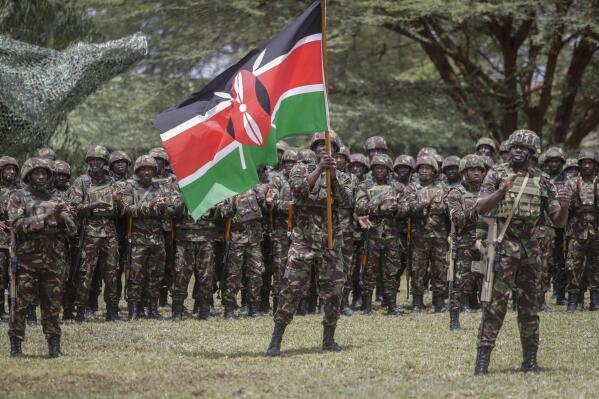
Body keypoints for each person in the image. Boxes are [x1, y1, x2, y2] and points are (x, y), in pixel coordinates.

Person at [474, 129, 569, 376]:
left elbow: (557, 221)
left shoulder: (543, 180)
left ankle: (530, 361)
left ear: (532, 152)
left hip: (531, 251)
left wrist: (566, 203)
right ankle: (482, 363)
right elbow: (481, 207)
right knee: (495, 306)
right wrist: (501, 191)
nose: (517, 150)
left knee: (530, 308)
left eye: (522, 148)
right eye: (514, 146)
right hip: (502, 248)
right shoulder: (496, 173)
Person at [266, 132, 353, 356]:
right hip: (303, 239)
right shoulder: (300, 169)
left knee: (334, 292)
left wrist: (332, 176)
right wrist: (318, 171)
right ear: (314, 149)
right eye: (320, 146)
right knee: (291, 288)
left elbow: (346, 201)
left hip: (330, 241)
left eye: (329, 146)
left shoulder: (342, 176)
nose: (324, 149)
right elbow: (298, 191)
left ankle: (329, 339)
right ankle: (276, 340)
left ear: (335, 149)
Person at [7, 157, 76, 358]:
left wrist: (60, 215)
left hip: (54, 260)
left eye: (44, 173)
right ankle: (16, 346)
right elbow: (17, 225)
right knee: (20, 304)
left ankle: (54, 347)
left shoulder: (57, 198)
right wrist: (46, 216)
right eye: (36, 173)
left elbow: (72, 229)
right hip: (27, 261)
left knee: (52, 304)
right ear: (28, 176)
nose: (40, 177)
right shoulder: (18, 197)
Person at [69, 146, 122, 322]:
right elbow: (74, 208)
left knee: (112, 273)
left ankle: (112, 311)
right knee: (86, 272)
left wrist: (118, 202)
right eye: (92, 160)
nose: (95, 163)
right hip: (90, 233)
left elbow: (121, 211)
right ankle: (81, 311)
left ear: (105, 163)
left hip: (109, 233)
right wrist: (91, 205)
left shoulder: (112, 182)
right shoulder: (81, 182)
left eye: (98, 160)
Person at [355, 154, 409, 316]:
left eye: (383, 168)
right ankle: (367, 306)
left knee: (391, 271)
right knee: (369, 271)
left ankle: (392, 305)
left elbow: (407, 207)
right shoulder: (364, 186)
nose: (379, 171)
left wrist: (396, 209)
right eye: (377, 168)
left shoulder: (398, 187)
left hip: (392, 236)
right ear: (372, 170)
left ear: (388, 171)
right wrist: (380, 206)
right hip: (371, 235)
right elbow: (360, 207)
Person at [121, 155, 174, 320]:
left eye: (150, 169)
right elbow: (127, 210)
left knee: (155, 276)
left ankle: (152, 309)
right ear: (137, 171)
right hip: (138, 239)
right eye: (143, 169)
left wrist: (165, 207)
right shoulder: (131, 188)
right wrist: (149, 206)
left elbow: (172, 210)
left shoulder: (161, 188)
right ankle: (134, 311)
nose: (147, 172)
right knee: (136, 276)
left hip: (157, 239)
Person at [446, 154, 485, 330]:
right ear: (464, 172)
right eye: (473, 170)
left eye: (480, 170)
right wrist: (475, 210)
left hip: (486, 242)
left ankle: (487, 319)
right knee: (460, 283)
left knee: (487, 281)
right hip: (464, 243)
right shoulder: (455, 193)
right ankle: (454, 319)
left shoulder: (488, 191)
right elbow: (456, 219)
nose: (477, 173)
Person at [409, 155, 450, 313]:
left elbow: (448, 211)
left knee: (439, 269)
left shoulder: (443, 189)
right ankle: (417, 302)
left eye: (427, 168)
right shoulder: (413, 188)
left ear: (434, 171)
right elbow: (409, 209)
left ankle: (439, 301)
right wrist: (425, 203)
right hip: (419, 237)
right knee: (418, 269)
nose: (424, 171)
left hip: (439, 237)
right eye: (421, 168)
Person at [564, 149, 599, 312]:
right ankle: (573, 300)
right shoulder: (571, 182)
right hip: (576, 230)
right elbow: (565, 207)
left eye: (590, 163)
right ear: (580, 165)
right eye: (584, 163)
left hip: (596, 230)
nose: (587, 166)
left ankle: (595, 300)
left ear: (595, 165)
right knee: (573, 266)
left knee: (595, 266)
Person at [0, 156, 22, 322]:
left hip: (18, 239)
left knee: (17, 276)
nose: (11, 172)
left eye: (13, 169)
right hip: (1, 241)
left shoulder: (22, 189)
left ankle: (16, 311)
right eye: (7, 169)